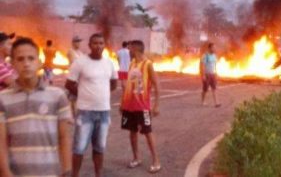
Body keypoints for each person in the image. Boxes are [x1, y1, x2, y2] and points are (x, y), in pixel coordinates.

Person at [0, 37, 72, 177]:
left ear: (39, 63)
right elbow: (1, 141)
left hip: (50, 173)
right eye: (20, 59)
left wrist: (67, 170)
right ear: (13, 64)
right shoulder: (3, 99)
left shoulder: (57, 96)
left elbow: (64, 138)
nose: (26, 64)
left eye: (31, 58)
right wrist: (5, 172)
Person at [65, 33, 117, 177]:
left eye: (101, 43)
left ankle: (98, 174)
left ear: (104, 45)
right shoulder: (80, 62)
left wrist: (101, 95)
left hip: (104, 112)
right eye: (95, 43)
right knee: (79, 148)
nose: (98, 46)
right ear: (89, 45)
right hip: (85, 112)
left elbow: (114, 83)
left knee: (100, 148)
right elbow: (69, 84)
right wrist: (83, 94)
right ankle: (75, 175)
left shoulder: (109, 63)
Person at [120, 40, 161, 173]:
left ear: (136, 50)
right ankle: (136, 158)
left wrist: (156, 105)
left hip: (142, 106)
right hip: (129, 105)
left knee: (147, 133)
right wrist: (122, 102)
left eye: (130, 49)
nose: (128, 52)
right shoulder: (132, 63)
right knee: (132, 132)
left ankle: (156, 161)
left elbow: (156, 85)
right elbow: (128, 85)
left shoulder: (148, 64)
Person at [200, 43, 221, 107]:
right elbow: (202, 66)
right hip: (207, 75)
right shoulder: (205, 56)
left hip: (213, 74)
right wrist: (203, 75)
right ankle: (203, 101)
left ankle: (216, 103)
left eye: (215, 48)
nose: (214, 49)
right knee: (205, 90)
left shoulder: (214, 56)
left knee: (214, 88)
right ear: (209, 48)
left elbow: (215, 65)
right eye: (213, 48)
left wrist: (216, 73)